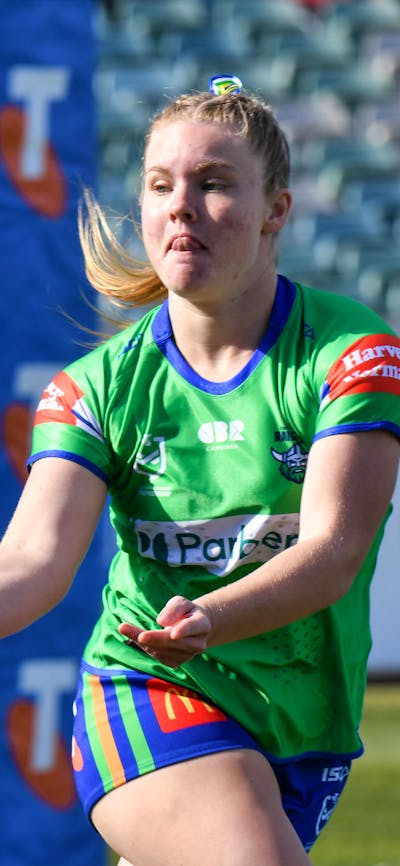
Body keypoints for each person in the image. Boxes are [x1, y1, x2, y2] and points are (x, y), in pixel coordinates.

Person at [1, 76, 400, 866]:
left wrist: (213, 616)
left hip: (302, 725)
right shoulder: (93, 388)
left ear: (276, 211)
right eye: (160, 185)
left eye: (213, 183)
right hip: (145, 690)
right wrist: (194, 635)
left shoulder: (352, 351)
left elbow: (333, 554)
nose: (180, 204)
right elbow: (34, 560)